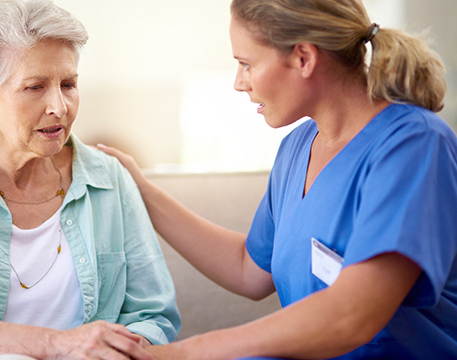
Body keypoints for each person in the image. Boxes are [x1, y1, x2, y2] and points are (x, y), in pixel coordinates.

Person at [98, 0, 457, 358]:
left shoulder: (414, 145)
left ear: (303, 57)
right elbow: (248, 269)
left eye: (246, 64)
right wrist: (141, 190)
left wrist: (190, 352)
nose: (239, 83)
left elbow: (353, 315)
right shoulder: (297, 147)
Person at [0, 0, 180, 359]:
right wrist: (56, 344)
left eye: (69, 84)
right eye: (35, 87)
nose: (59, 106)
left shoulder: (110, 181)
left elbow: (153, 317)